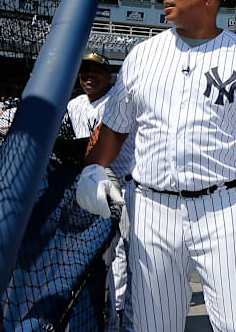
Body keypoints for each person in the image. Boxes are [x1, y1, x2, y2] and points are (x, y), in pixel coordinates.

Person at [74, 0, 236, 331]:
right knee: (152, 326)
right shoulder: (142, 56)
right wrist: (92, 171)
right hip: (151, 207)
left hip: (223, 208)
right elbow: (113, 131)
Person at [66, 52, 135, 332]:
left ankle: (118, 316)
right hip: (93, 186)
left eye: (97, 70)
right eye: (85, 70)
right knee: (93, 252)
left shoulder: (118, 99)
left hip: (125, 184)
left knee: (124, 252)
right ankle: (100, 313)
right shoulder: (74, 105)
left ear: (111, 75)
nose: (89, 75)